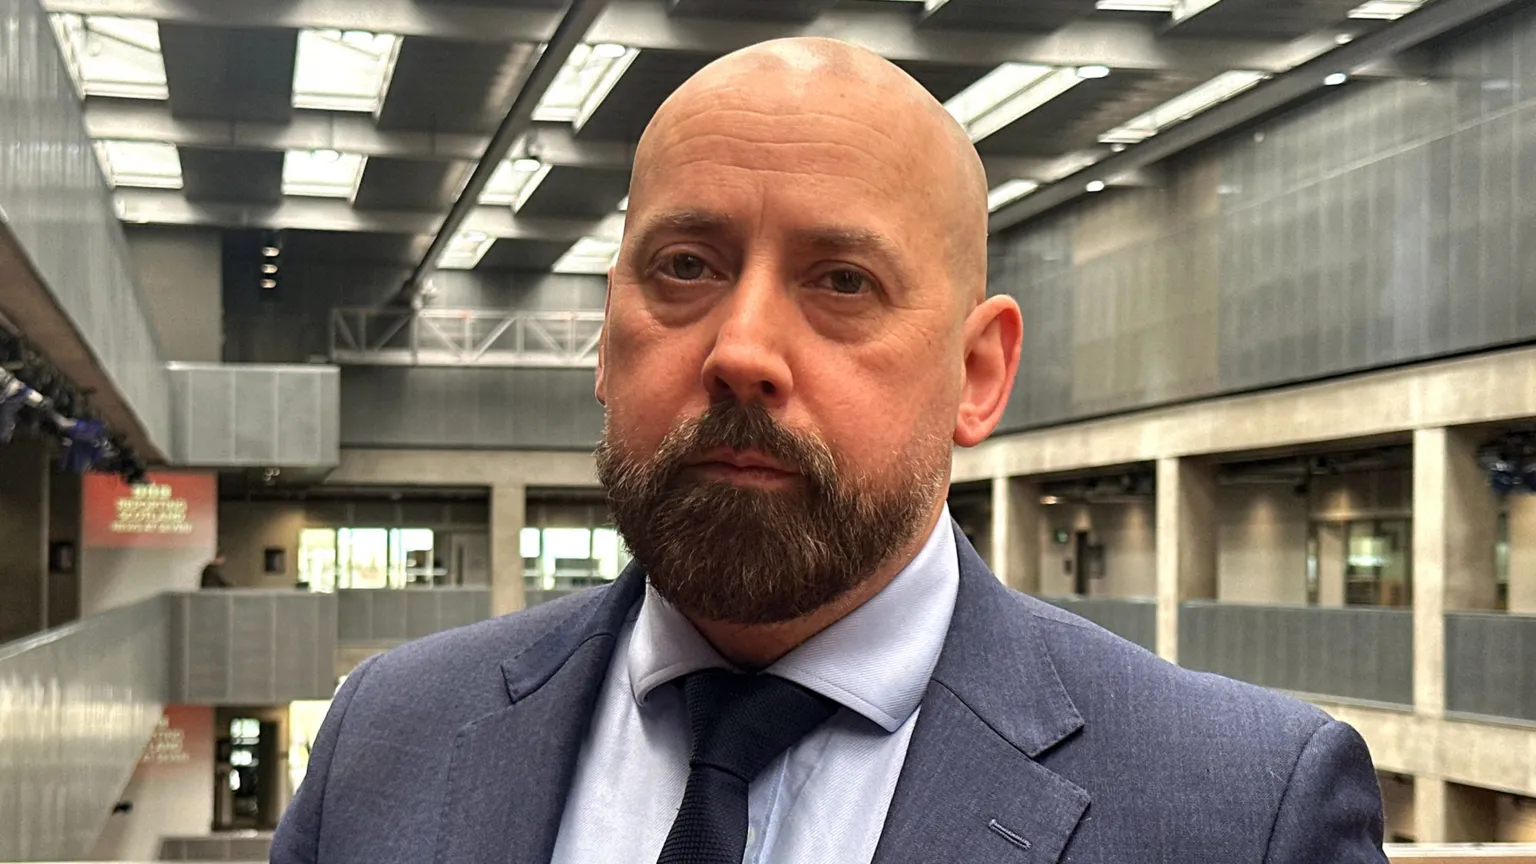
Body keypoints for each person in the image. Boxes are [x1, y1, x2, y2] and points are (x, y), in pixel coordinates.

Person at [272, 38, 1387, 864]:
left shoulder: (1245, 812)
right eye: (686, 268)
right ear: (606, 341)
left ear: (980, 374)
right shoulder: (387, 738)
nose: (742, 350)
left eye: (842, 282)